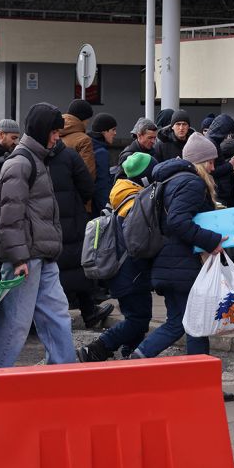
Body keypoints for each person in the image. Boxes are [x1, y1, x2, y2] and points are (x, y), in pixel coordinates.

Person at [0, 103, 75, 368]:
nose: (57, 138)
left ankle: (65, 374)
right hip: (26, 257)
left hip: (41, 255)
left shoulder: (34, 159)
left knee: (57, 317)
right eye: (54, 132)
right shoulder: (22, 162)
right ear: (42, 130)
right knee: (15, 323)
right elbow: (10, 217)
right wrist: (18, 258)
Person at [131, 134, 226, 363]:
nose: (213, 168)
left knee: (178, 322)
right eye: (210, 162)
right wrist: (212, 240)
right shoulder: (192, 183)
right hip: (182, 265)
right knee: (195, 324)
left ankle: (136, 359)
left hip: (168, 262)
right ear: (199, 162)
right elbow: (177, 221)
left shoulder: (172, 179)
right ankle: (200, 377)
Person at [78, 152, 156, 362]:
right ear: (144, 177)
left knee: (138, 318)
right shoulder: (135, 202)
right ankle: (97, 348)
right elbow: (138, 242)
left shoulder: (121, 194)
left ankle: (129, 356)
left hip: (122, 270)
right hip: (130, 272)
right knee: (138, 319)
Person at [50, 136, 109, 330]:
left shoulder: (33, 157)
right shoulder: (70, 156)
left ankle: (55, 316)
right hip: (73, 220)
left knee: (52, 269)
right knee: (78, 265)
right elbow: (87, 187)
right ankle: (89, 311)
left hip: (47, 222)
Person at [61, 99, 97, 179]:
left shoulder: (54, 132)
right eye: (88, 119)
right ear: (84, 118)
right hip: (73, 185)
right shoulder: (84, 140)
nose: (88, 122)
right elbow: (88, 173)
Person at [89, 113, 118, 210]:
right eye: (113, 129)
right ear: (104, 131)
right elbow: (102, 185)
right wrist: (106, 209)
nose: (115, 133)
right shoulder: (101, 153)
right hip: (98, 208)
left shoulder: (89, 146)